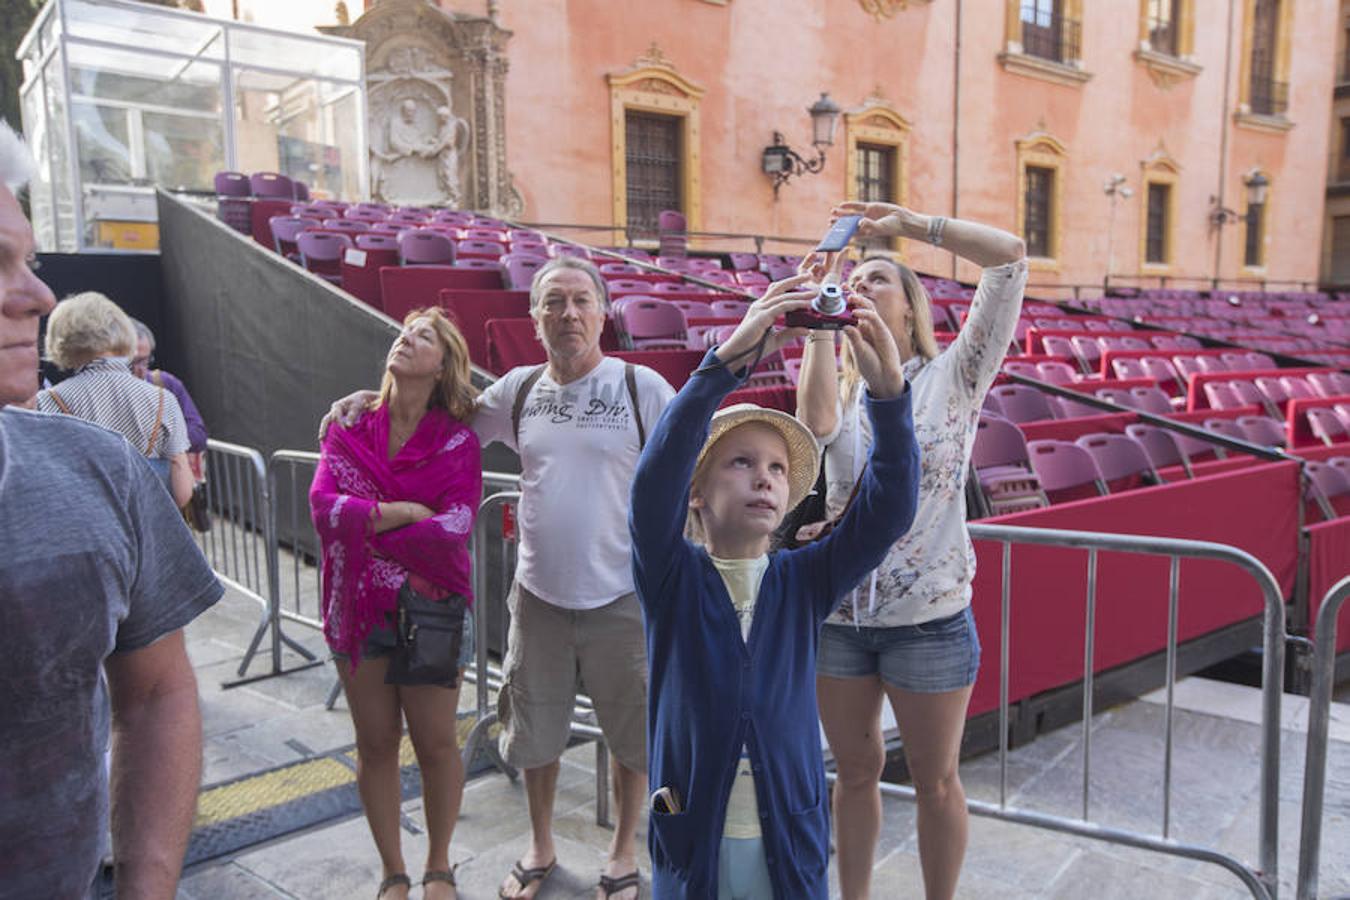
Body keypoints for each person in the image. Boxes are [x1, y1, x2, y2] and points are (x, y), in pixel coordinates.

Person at [327, 257, 674, 900]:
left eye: (580, 301)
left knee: (633, 738)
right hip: (539, 597)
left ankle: (623, 854)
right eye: (552, 303)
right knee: (535, 734)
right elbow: (433, 414)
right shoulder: (516, 390)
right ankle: (540, 844)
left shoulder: (640, 388)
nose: (567, 314)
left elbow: (686, 468)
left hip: (624, 596)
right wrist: (362, 400)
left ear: (603, 311)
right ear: (535, 318)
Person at [628, 273, 920, 898]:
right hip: (692, 842)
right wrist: (727, 362)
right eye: (742, 462)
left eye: (778, 468)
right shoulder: (670, 576)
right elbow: (653, 482)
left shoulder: (804, 579)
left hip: (789, 841)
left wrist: (889, 395)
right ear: (698, 494)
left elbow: (890, 508)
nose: (764, 477)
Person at [0, 118, 223, 897]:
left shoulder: (73, 440)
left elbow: (159, 692)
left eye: (27, 259)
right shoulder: (156, 400)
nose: (35, 291)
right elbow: (184, 480)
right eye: (0, 264)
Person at [796, 201, 1027, 900]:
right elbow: (813, 427)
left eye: (877, 280)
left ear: (910, 308)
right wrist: (819, 325)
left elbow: (1010, 257)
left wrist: (910, 224)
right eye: (854, 279)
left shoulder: (954, 376)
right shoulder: (843, 392)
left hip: (929, 618)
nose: (861, 285)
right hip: (840, 619)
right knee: (854, 772)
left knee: (936, 779)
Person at [310, 308, 483, 900]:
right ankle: (393, 870)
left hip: (432, 611)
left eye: (425, 335)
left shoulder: (457, 441)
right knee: (376, 744)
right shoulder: (350, 426)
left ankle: (438, 864)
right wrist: (405, 513)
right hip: (354, 609)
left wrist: (368, 526)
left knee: (436, 744)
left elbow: (454, 528)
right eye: (405, 331)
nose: (407, 338)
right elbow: (322, 511)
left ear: (443, 365)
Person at [36, 292, 194, 508]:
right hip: (147, 529)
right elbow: (182, 491)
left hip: (85, 531)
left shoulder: (46, 402)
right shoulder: (163, 400)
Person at [130, 318, 208, 453]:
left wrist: (159, 440)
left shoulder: (165, 383)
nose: (141, 369)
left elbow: (198, 434)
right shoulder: (105, 393)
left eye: (146, 360)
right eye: (134, 362)